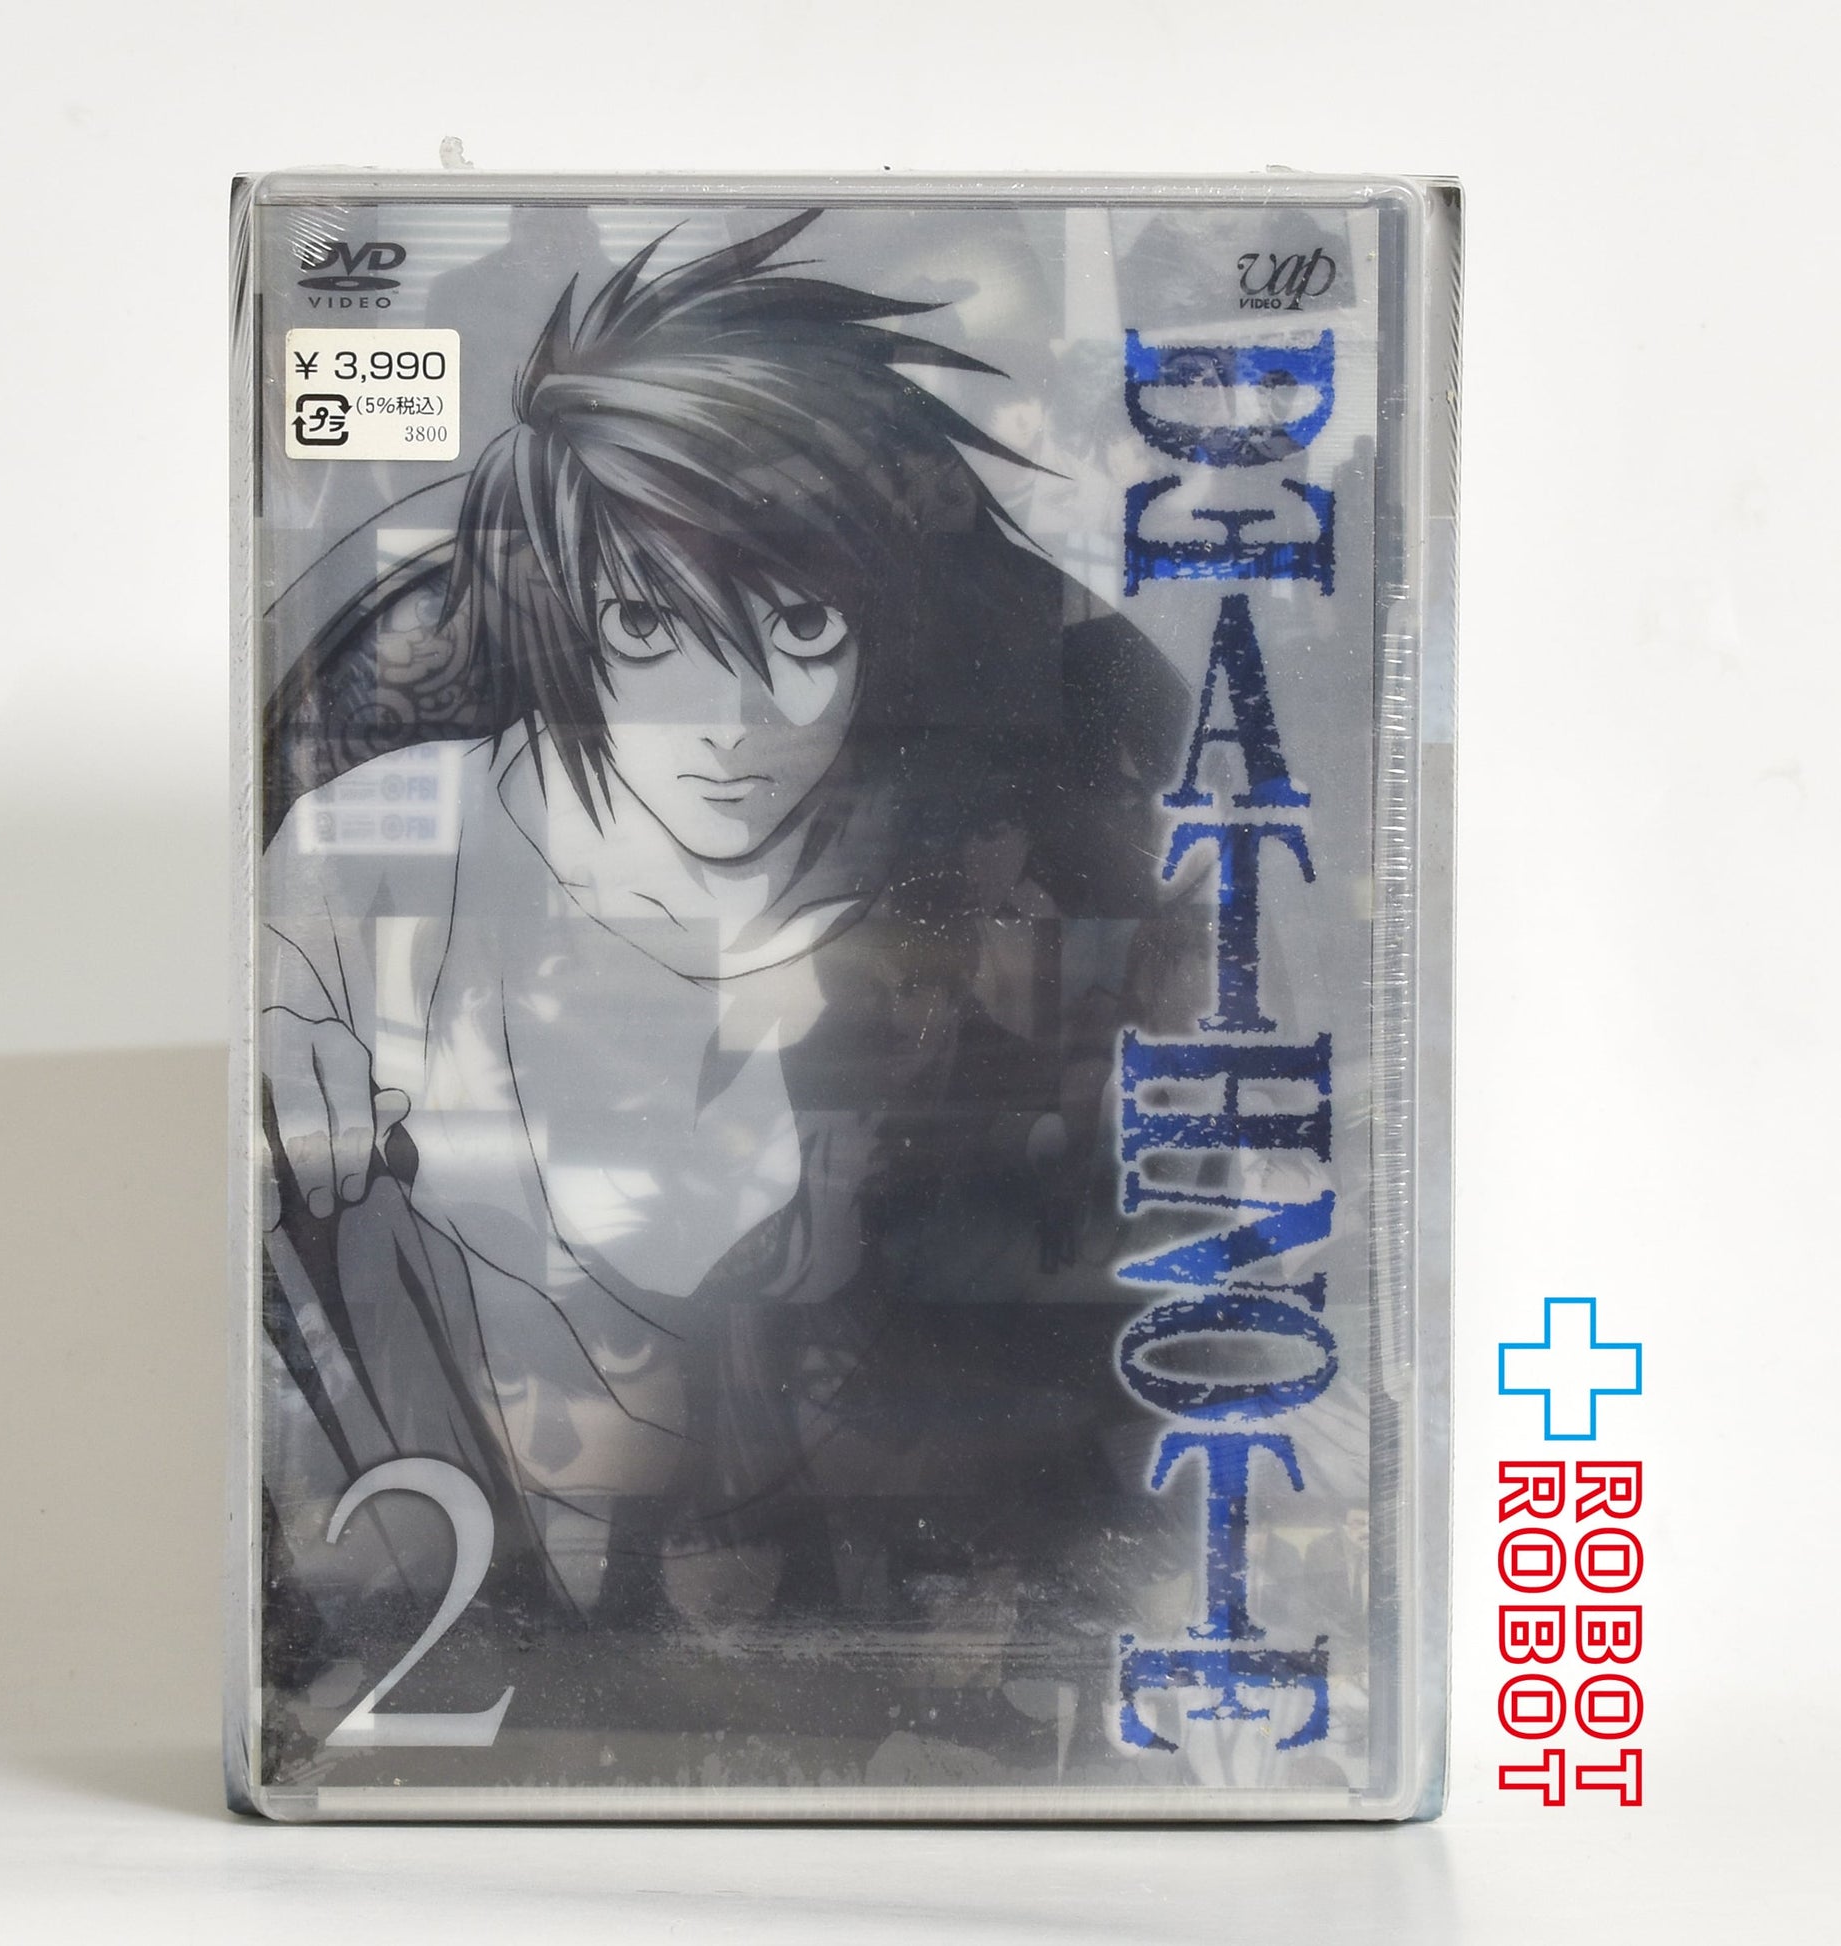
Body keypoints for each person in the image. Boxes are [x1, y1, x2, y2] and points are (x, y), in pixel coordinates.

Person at [259, 211, 1196, 1650]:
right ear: (560, 608)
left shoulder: (975, 879)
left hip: (860, 1602)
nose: (732, 722)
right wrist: (276, 1055)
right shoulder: (393, 847)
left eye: (803, 629)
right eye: (649, 630)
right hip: (438, 1572)